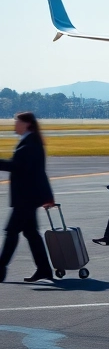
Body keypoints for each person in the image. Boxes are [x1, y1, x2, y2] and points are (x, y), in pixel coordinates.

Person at [0, 112, 55, 283]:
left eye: (17, 121)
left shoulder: (30, 143)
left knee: (12, 232)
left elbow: (18, 166)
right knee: (31, 233)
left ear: (27, 124)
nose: (14, 124)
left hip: (26, 198)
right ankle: (44, 269)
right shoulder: (29, 141)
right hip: (28, 197)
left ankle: (0, 269)